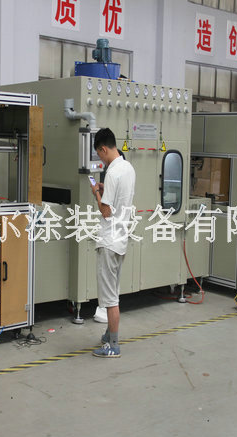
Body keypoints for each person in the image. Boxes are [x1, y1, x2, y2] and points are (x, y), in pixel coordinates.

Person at [90, 128, 135, 358]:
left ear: (103, 149)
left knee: (109, 298)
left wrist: (96, 194)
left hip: (109, 241)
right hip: (121, 239)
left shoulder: (111, 172)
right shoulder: (127, 168)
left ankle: (113, 345)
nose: (100, 158)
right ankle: (109, 335)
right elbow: (119, 199)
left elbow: (106, 211)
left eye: (99, 154)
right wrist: (105, 191)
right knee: (113, 292)